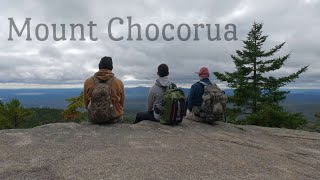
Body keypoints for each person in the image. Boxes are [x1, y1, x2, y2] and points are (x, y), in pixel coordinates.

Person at [83, 56, 125, 124]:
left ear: (99, 67)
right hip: (114, 119)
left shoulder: (88, 82)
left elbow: (86, 103)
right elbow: (121, 103)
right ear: (111, 68)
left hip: (94, 118)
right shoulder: (118, 82)